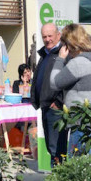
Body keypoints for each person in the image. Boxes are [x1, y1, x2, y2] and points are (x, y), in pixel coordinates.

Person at [49, 23, 91, 155]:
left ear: (69, 43)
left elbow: (54, 82)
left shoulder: (78, 63)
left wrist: (60, 59)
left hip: (81, 123)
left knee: (78, 167)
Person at [31, 23, 65, 164]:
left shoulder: (63, 55)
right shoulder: (45, 54)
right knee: (51, 146)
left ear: (58, 35)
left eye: (50, 36)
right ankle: (55, 178)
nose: (47, 39)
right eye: (44, 36)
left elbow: (66, 81)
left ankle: (58, 179)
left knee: (57, 148)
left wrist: (58, 102)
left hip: (55, 108)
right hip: (45, 105)